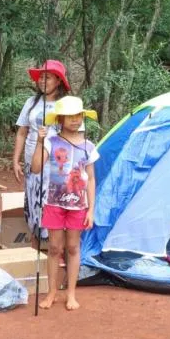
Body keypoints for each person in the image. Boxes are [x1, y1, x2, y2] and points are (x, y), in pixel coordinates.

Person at [31, 96, 98, 312]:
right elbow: (35, 168)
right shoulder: (51, 142)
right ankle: (51, 292)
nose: (75, 120)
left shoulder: (88, 146)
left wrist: (91, 210)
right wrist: (40, 142)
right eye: (70, 116)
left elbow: (91, 178)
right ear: (60, 118)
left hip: (78, 205)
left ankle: (71, 293)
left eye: (78, 115)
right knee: (53, 247)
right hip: (54, 202)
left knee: (72, 247)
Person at [12, 59, 69, 245]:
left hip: (57, 166)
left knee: (53, 203)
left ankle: (55, 247)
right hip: (33, 160)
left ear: (58, 80)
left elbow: (76, 134)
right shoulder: (32, 102)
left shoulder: (67, 104)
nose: (43, 81)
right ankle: (36, 242)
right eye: (41, 77)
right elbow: (22, 132)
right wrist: (16, 160)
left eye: (49, 77)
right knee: (34, 201)